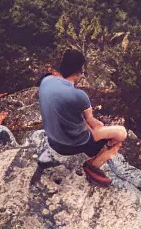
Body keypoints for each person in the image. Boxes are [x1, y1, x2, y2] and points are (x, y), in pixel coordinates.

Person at [38, 49, 127, 187]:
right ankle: (93, 165)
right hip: (75, 145)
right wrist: (101, 127)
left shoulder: (46, 81)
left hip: (53, 141)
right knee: (121, 134)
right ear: (79, 73)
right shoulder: (79, 95)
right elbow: (92, 122)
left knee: (91, 126)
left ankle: (96, 154)